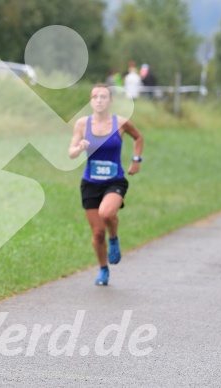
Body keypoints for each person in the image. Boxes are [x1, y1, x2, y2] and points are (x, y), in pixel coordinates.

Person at [68, 84, 144, 286]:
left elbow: (138, 137)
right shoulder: (83, 124)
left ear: (110, 101)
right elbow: (71, 152)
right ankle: (103, 269)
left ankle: (114, 238)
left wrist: (136, 160)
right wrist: (79, 147)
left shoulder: (120, 123)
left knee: (107, 214)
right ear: (91, 101)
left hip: (114, 180)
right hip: (91, 183)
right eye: (95, 97)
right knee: (97, 233)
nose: (99, 100)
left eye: (103, 97)